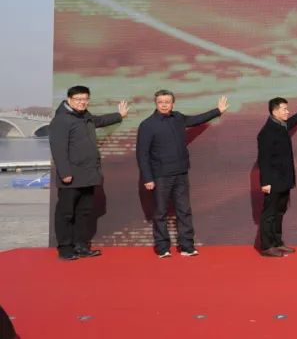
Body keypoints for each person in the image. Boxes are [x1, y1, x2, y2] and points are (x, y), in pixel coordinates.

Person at [136, 90, 228, 258]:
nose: (164, 105)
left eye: (167, 102)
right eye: (161, 102)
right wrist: (148, 178)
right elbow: (142, 154)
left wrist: (217, 111)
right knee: (160, 212)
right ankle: (162, 247)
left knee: (184, 210)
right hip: (160, 176)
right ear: (156, 103)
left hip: (181, 173)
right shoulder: (147, 125)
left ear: (173, 103)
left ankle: (187, 246)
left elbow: (196, 120)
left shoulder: (178, 117)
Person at [48, 86, 129, 260]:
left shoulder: (85, 116)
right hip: (71, 176)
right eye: (78, 99)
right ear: (69, 99)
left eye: (85, 99)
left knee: (83, 213)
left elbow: (98, 121)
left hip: (88, 175)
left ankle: (81, 246)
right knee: (66, 213)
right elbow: (58, 149)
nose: (82, 102)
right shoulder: (61, 120)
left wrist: (119, 115)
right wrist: (65, 172)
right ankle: (65, 248)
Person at [256, 95, 297, 257]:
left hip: (284, 180)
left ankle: (277, 242)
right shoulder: (266, 132)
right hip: (273, 181)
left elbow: (293, 121)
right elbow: (264, 159)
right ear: (275, 111)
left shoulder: (281, 126)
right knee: (269, 214)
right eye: (284, 109)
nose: (287, 112)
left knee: (279, 212)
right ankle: (267, 246)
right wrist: (265, 182)